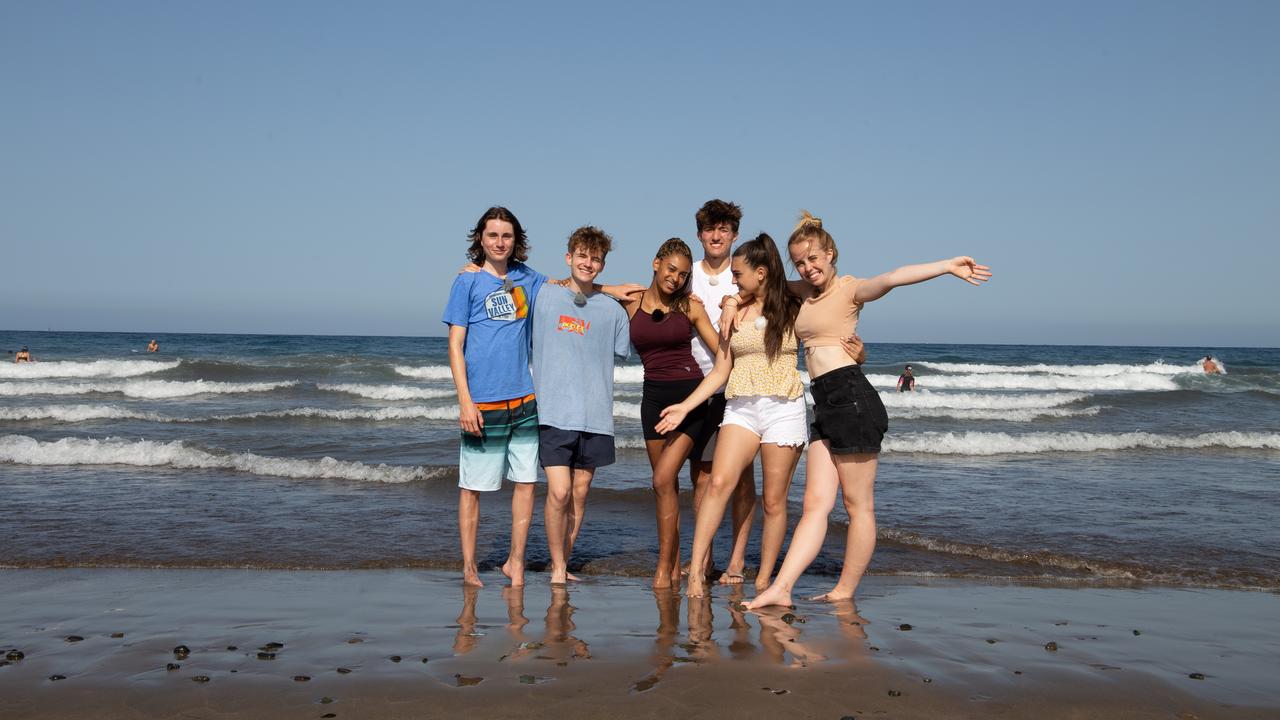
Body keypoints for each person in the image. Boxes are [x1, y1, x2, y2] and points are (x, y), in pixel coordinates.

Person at [746, 211, 990, 609]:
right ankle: (781, 588)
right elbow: (759, 282)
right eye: (800, 262)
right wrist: (728, 299)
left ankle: (844, 590)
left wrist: (946, 266)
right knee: (814, 505)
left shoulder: (850, 289)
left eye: (813, 258)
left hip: (852, 399)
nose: (807, 268)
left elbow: (892, 277)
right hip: (824, 401)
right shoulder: (804, 292)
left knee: (858, 506)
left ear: (830, 254)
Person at [656, 234, 808, 598]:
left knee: (773, 500)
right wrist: (685, 406)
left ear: (761, 272)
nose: (733, 281)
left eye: (738, 275)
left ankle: (764, 581)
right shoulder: (734, 314)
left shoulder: (793, 305)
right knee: (719, 484)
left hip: (784, 407)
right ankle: (697, 572)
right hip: (741, 405)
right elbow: (720, 371)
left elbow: (824, 294)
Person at [443, 206, 549, 588]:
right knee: (472, 487)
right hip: (483, 404)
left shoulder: (528, 278)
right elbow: (455, 345)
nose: (500, 242)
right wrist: (465, 401)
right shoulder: (467, 282)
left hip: (524, 401)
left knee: (526, 483)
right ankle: (469, 566)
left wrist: (613, 291)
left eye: (507, 236)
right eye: (493, 235)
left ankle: (515, 562)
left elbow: (569, 287)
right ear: (481, 239)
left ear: (516, 240)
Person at [531, 226, 631, 585]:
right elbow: (510, 276)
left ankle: (562, 563)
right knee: (559, 492)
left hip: (596, 416)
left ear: (602, 264)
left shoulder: (613, 311)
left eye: (596, 258)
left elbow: (627, 342)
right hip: (554, 413)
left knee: (580, 493)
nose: (588, 263)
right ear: (568, 257)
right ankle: (558, 567)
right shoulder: (543, 296)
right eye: (582, 256)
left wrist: (609, 291)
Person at [618, 238, 721, 589]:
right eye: (671, 270)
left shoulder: (690, 307)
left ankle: (663, 570)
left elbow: (722, 350)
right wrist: (603, 288)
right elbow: (582, 288)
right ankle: (675, 565)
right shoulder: (631, 302)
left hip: (689, 399)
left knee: (662, 480)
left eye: (683, 275)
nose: (675, 279)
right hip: (652, 401)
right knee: (667, 488)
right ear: (656, 263)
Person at [686, 199, 757, 585]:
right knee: (702, 477)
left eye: (723, 229)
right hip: (698, 383)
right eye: (710, 229)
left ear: (734, 234)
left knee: (742, 478)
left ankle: (737, 560)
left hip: (741, 386)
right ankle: (705, 558)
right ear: (700, 234)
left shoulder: (742, 273)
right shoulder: (688, 274)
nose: (716, 236)